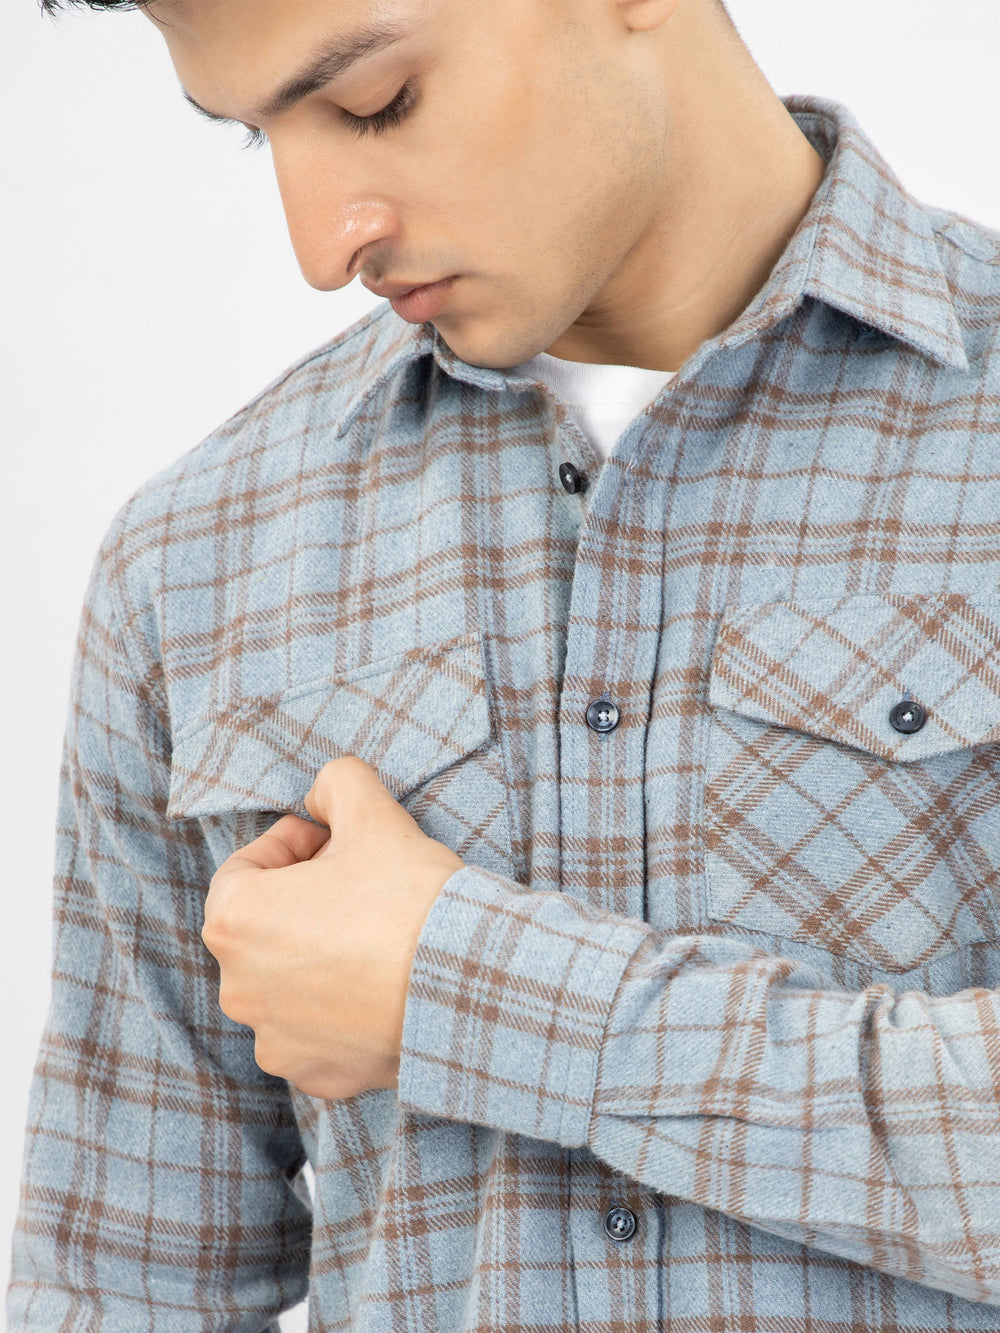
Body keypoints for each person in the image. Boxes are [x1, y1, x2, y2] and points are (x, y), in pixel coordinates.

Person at [9, 0, 1000, 1327]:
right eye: (259, 139)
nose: (322, 246)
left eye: (376, 104)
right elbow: (122, 1284)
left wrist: (470, 988)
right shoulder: (192, 557)